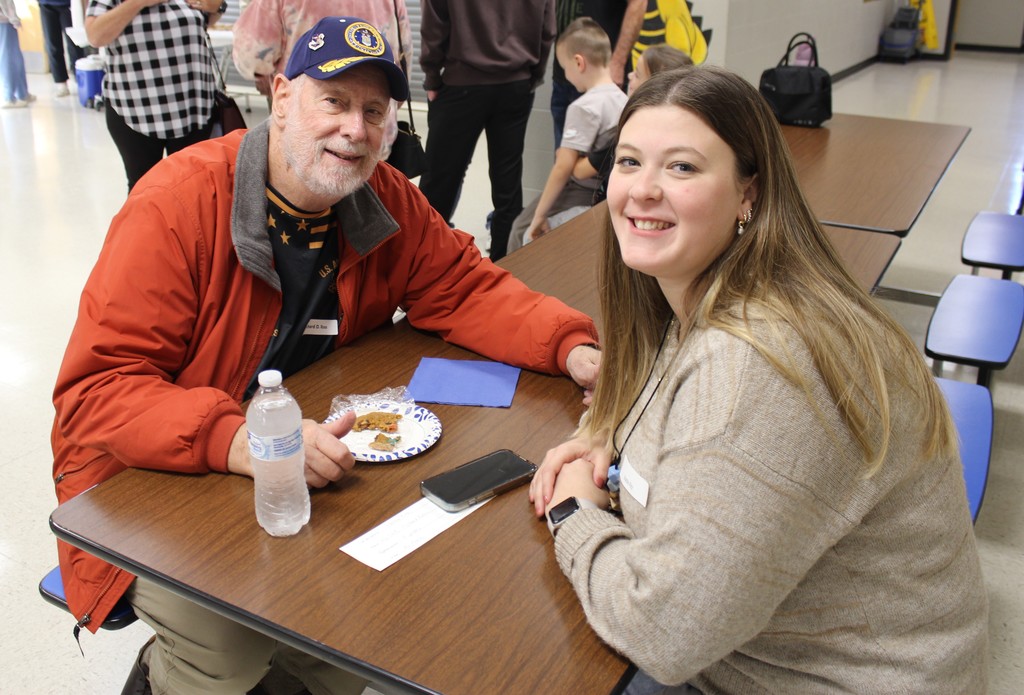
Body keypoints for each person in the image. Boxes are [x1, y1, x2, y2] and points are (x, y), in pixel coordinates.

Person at [52, 16, 600, 695]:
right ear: (281, 99)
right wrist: (238, 439)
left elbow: (463, 287)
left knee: (353, 621)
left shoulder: (381, 200)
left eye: (374, 111)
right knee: (226, 645)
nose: (355, 129)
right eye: (334, 101)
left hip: (299, 463)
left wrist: (571, 345)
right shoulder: (178, 203)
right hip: (146, 474)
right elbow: (95, 393)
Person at [529, 65, 988, 693]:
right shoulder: (715, 289)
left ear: (749, 193)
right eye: (629, 161)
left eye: (683, 167)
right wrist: (607, 432)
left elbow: (666, 631)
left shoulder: (760, 364)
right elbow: (658, 391)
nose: (641, 190)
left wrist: (572, 511)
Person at [417, 0, 555, 262]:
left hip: (462, 83)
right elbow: (547, 29)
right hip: (516, 84)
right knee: (508, 184)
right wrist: (532, 76)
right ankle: (506, 268)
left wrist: (432, 76)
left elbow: (434, 23)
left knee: (439, 182)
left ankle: (421, 272)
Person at [506, 17, 626, 253]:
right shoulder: (622, 100)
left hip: (582, 191)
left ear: (578, 62)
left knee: (521, 227)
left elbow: (563, 168)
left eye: (565, 68)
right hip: (604, 188)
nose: (567, 76)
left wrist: (539, 216)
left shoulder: (583, 107)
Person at [231, 0, 411, 155]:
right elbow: (404, 58)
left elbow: (251, 54)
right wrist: (378, 108)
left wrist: (262, 75)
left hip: (304, 131)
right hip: (374, 133)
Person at [85, 0, 224, 191]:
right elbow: (95, 35)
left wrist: (217, 7)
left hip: (193, 106)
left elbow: (205, 15)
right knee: (145, 191)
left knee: (193, 187)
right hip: (136, 110)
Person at [572, 43, 692, 199]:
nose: (629, 76)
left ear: (653, 87)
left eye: (637, 74)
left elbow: (580, 171)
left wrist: (567, 153)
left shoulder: (630, 133)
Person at [551, 0, 644, 147]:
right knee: (565, 150)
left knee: (601, 154)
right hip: (566, 73)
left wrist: (618, 62)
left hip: (602, 72)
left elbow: (638, 3)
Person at [38, 0, 86, 97]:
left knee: (74, 43)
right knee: (52, 45)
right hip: (46, 5)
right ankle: (61, 83)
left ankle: (80, 79)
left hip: (68, 4)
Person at [0, 0, 34, 108]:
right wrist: (14, 19)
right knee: (8, 58)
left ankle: (22, 93)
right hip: (4, 20)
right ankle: (9, 97)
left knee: (15, 56)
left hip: (5, 19)